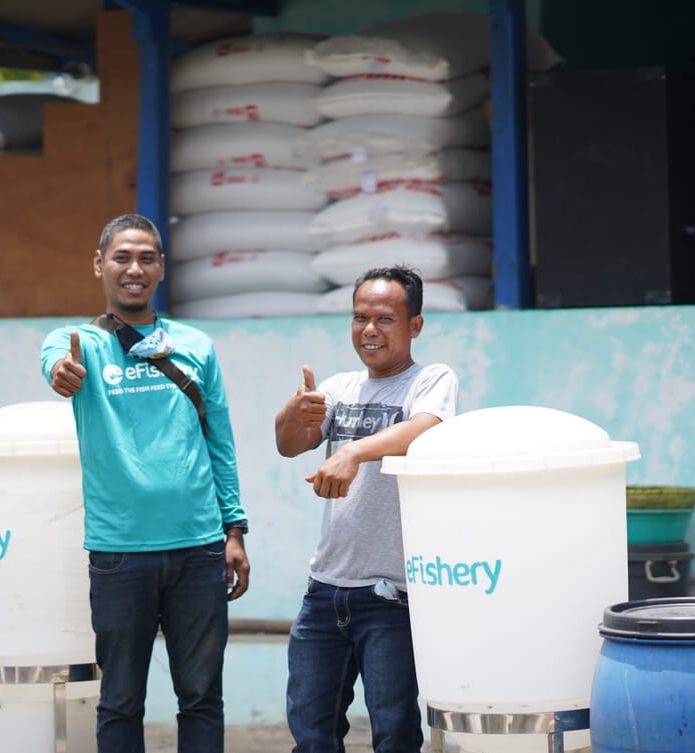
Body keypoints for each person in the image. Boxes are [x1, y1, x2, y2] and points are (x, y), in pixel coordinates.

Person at [40, 213, 250, 753]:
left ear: (161, 269)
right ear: (99, 265)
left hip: (200, 550)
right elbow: (57, 368)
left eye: (147, 258)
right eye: (122, 257)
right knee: (120, 702)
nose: (134, 268)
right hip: (119, 554)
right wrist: (63, 374)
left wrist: (234, 530)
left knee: (202, 698)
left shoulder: (195, 345)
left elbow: (219, 442)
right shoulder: (76, 344)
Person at [274, 265, 459, 753]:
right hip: (325, 591)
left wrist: (353, 451)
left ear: (414, 326)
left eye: (384, 319)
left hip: (390, 597)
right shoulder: (339, 387)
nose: (369, 330)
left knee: (394, 731)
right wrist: (292, 415)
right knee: (311, 730)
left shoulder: (431, 380)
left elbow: (425, 427)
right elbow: (291, 445)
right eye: (359, 318)